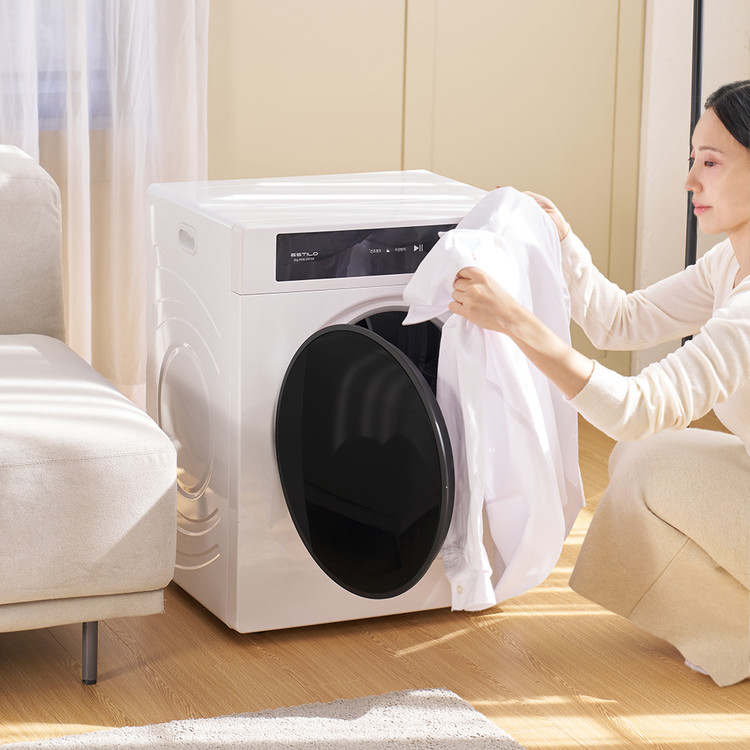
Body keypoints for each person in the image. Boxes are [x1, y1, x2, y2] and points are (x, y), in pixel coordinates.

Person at [448, 80, 750, 687]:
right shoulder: (730, 263)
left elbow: (636, 408)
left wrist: (515, 322)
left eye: (711, 163)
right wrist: (563, 240)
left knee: (646, 454)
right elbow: (625, 320)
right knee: (643, 458)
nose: (690, 181)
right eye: (692, 160)